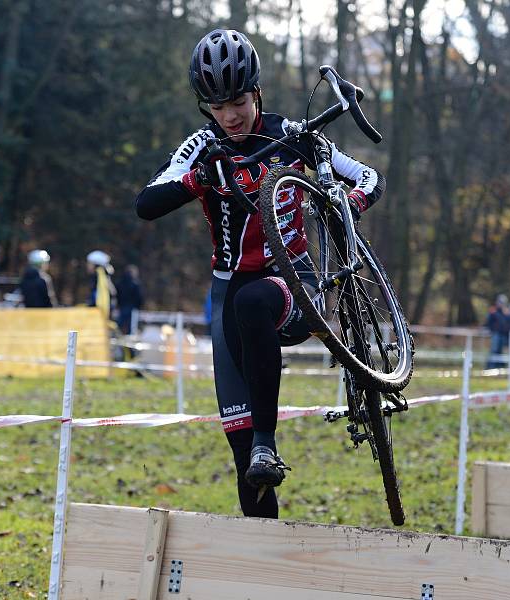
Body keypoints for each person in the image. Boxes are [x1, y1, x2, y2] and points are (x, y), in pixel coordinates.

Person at [134, 29, 385, 519]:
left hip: (293, 284)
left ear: (257, 93)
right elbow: (146, 203)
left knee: (254, 306)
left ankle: (270, 443)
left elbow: (369, 177)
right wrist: (197, 179)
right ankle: (264, 554)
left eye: (239, 101)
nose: (230, 115)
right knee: (241, 454)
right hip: (227, 294)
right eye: (217, 105)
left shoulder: (290, 135)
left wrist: (347, 203)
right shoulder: (203, 145)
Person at [485, 294, 510, 368]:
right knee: (494, 350)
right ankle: (491, 367)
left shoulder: (507, 312)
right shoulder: (493, 311)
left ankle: (499, 367)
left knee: (501, 352)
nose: (501, 304)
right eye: (500, 302)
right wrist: (492, 329)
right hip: (496, 334)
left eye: (502, 303)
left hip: (504, 335)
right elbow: (488, 322)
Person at [86, 250, 115, 320]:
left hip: (98, 310)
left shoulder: (99, 276)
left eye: (90, 263)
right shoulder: (103, 275)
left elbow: (98, 296)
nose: (87, 265)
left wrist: (92, 305)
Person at [116, 265, 143, 335]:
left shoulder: (120, 282)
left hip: (122, 308)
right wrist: (138, 306)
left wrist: (119, 304)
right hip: (132, 309)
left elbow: (117, 295)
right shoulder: (135, 284)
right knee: (131, 328)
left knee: (120, 327)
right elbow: (139, 297)